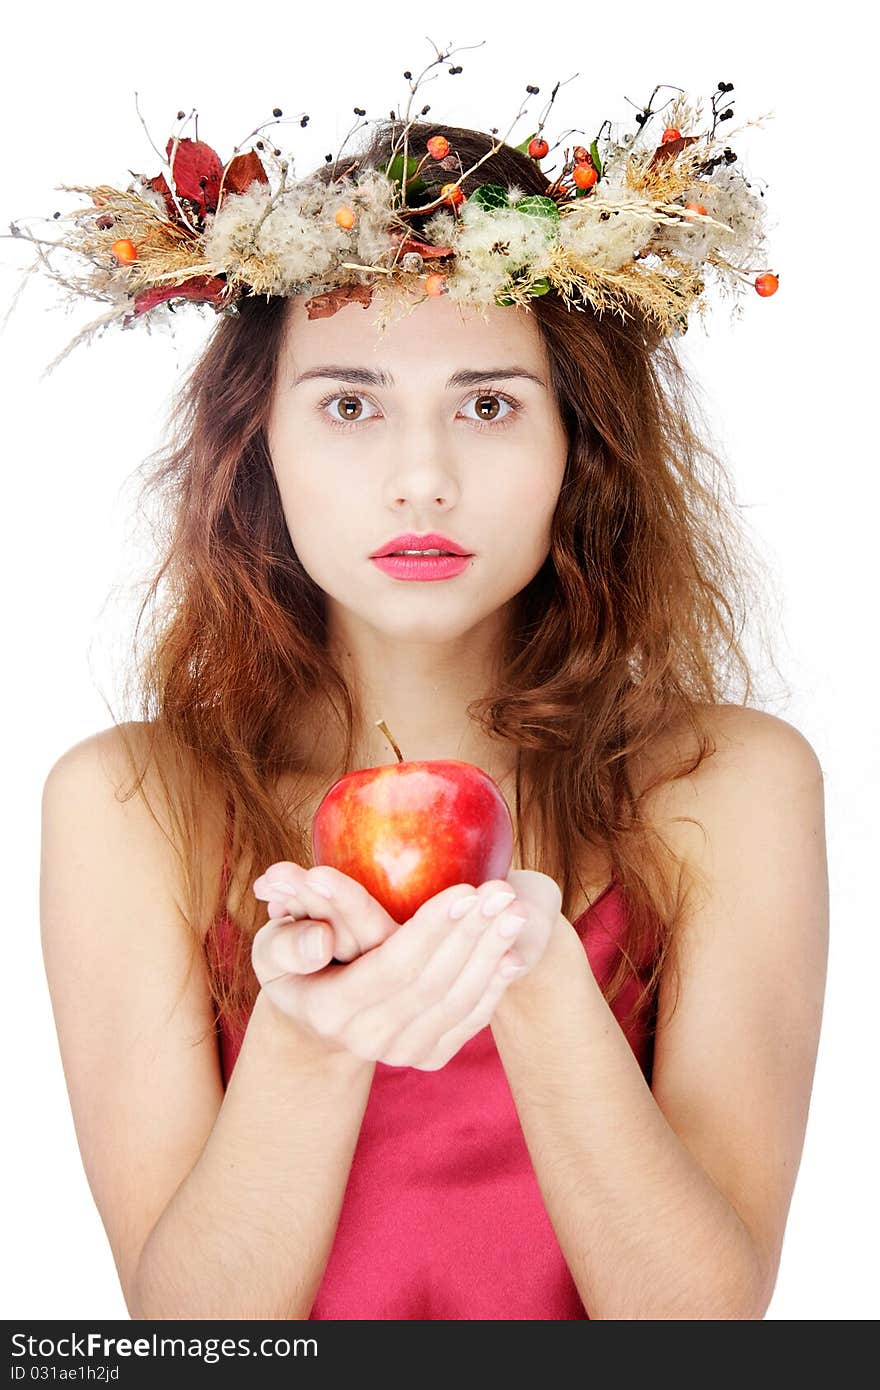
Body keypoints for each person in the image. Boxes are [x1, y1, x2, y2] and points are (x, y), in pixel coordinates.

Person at [36, 86, 828, 1321]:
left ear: (581, 445)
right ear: (260, 444)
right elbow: (189, 1340)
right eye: (350, 404)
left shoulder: (724, 784)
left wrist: (545, 990)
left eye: (489, 403)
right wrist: (310, 1041)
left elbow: (702, 1333)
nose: (422, 478)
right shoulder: (136, 804)